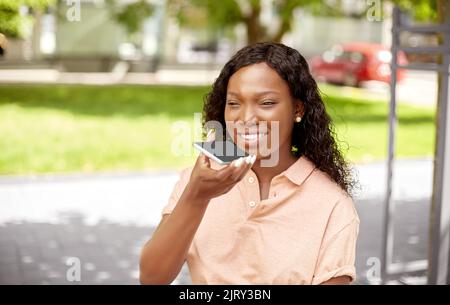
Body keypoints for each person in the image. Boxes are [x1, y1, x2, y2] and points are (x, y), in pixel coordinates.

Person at [140, 42, 359, 285]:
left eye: (266, 103)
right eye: (234, 103)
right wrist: (197, 196)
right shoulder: (199, 179)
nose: (245, 119)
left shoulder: (333, 205)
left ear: (297, 109)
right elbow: (152, 278)